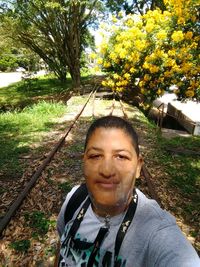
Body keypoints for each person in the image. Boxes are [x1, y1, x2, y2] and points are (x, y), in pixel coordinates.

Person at [57, 115, 200, 267]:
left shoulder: (157, 233)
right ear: (84, 162)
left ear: (138, 167)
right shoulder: (74, 199)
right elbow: (62, 251)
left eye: (121, 156)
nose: (107, 170)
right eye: (95, 156)